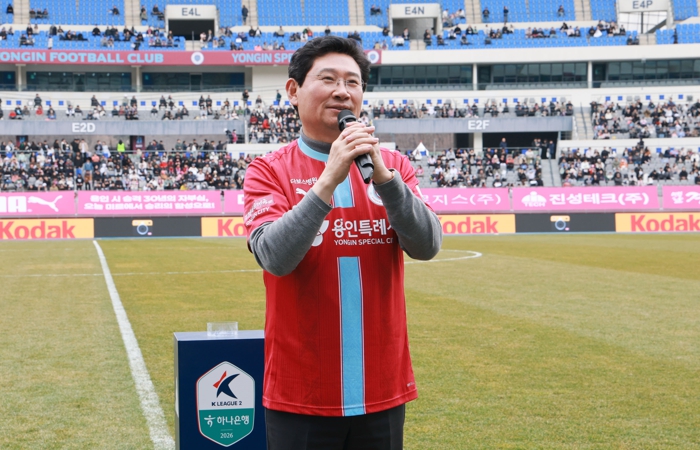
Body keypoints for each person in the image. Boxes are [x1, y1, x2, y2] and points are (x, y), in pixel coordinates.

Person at [243, 36, 442, 450]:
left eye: (353, 82)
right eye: (328, 79)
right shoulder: (268, 170)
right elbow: (275, 258)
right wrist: (328, 179)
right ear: (293, 90)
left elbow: (427, 246)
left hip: (382, 388)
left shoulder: (394, 166)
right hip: (300, 393)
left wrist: (386, 181)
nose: (342, 91)